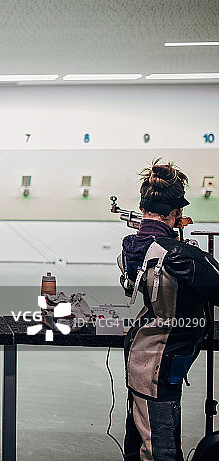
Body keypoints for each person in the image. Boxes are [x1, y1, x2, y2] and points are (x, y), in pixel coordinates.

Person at [119, 159, 219, 461]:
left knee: (139, 443)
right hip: (160, 363)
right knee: (160, 450)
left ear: (142, 207)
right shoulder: (181, 256)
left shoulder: (130, 248)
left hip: (143, 354)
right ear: (176, 212)